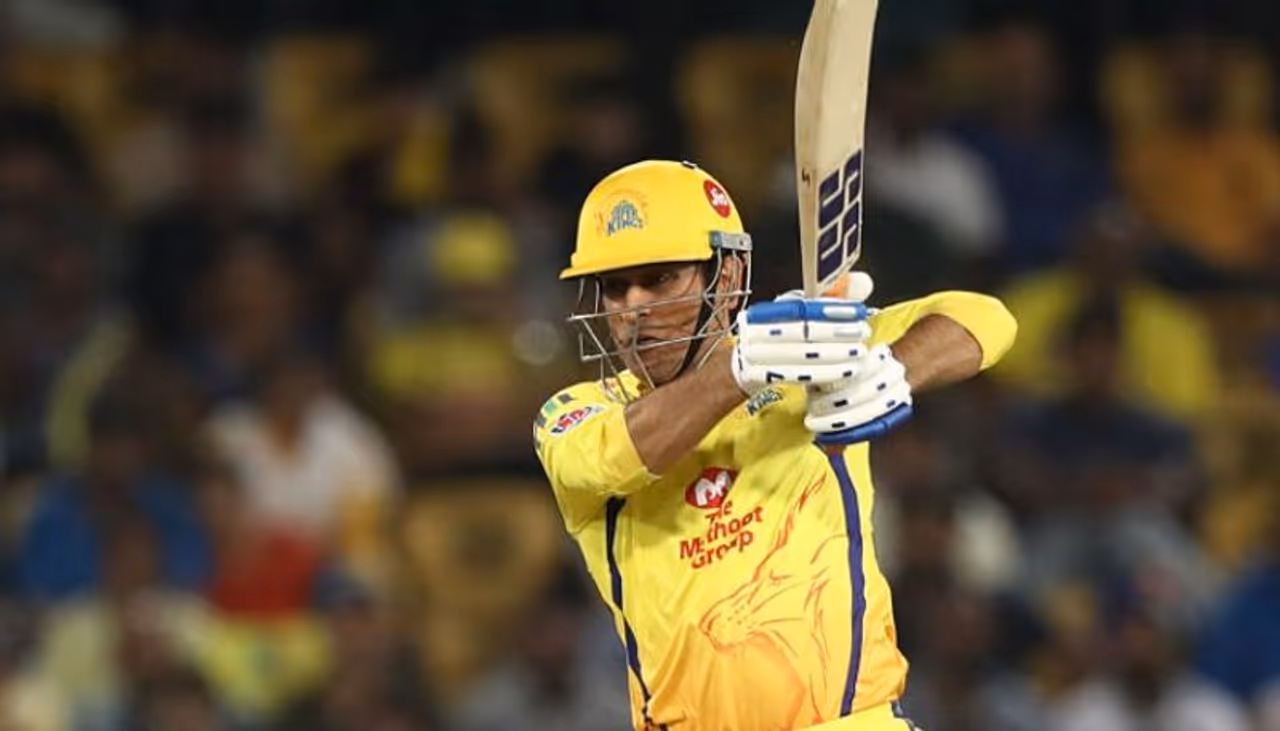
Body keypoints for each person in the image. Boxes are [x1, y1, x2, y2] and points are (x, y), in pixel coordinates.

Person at [533, 160, 1017, 730]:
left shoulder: (809, 361)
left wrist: (889, 370)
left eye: (659, 278)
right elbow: (611, 456)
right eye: (615, 287)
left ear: (728, 275)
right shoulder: (577, 412)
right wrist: (742, 368)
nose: (634, 308)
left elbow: (986, 318)